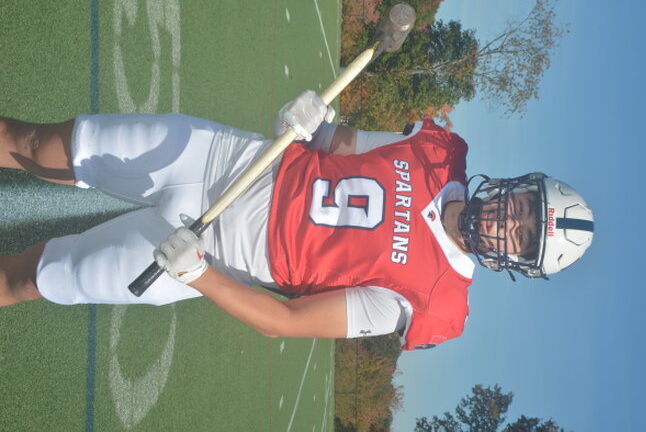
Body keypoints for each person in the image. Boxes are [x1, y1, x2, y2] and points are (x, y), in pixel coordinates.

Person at [0, 91, 594, 350]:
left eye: (524, 236)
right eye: (525, 207)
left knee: (32, 277)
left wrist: (198, 275)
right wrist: (311, 120)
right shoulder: (439, 152)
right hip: (219, 158)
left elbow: (284, 322)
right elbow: (335, 143)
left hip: (211, 252)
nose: (510, 221)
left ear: (518, 261)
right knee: (35, 143)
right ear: (520, 188)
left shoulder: (436, 301)